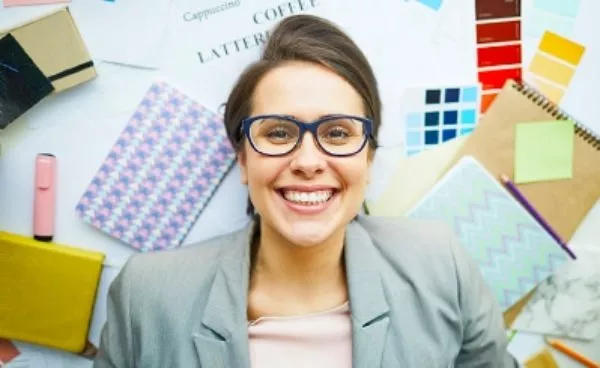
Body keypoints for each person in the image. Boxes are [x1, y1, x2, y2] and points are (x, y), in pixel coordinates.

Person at [94, 14, 519, 368]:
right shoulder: (145, 297)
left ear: (368, 159)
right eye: (279, 133)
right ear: (243, 159)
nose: (309, 161)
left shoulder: (440, 265)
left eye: (337, 133)